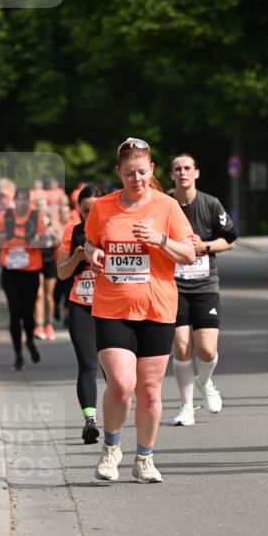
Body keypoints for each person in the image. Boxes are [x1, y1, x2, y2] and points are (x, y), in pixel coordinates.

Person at [83, 137, 195, 484]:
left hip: (157, 308)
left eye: (142, 173)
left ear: (152, 170)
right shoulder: (102, 207)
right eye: (129, 174)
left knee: (149, 389)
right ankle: (111, 448)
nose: (137, 180)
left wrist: (160, 239)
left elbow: (189, 255)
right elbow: (89, 243)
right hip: (112, 306)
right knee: (121, 383)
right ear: (119, 173)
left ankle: (144, 458)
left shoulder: (167, 207)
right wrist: (93, 254)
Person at [168, 153, 237, 425]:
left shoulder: (210, 204)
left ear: (196, 172)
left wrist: (203, 247)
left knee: (207, 349)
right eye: (177, 169)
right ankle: (186, 407)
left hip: (205, 284)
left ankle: (205, 382)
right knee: (182, 346)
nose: (183, 172)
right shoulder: (165, 204)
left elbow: (229, 240)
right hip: (173, 285)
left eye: (187, 168)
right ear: (171, 174)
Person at [56, 184, 104, 444]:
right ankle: (90, 421)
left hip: (111, 308)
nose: (90, 215)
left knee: (112, 369)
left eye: (95, 210)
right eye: (85, 211)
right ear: (79, 210)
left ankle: (117, 415)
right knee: (87, 364)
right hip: (81, 305)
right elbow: (62, 273)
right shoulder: (72, 232)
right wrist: (76, 258)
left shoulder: (113, 231)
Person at [0, 187, 49, 370]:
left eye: (25, 199)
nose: (22, 202)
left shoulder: (35, 217)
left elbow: (45, 239)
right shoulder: (5, 217)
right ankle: (18, 355)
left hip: (30, 270)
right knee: (15, 312)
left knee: (27, 312)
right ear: (14, 200)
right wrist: (1, 239)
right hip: (10, 271)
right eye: (19, 199)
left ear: (29, 201)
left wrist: (35, 242)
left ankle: (29, 340)